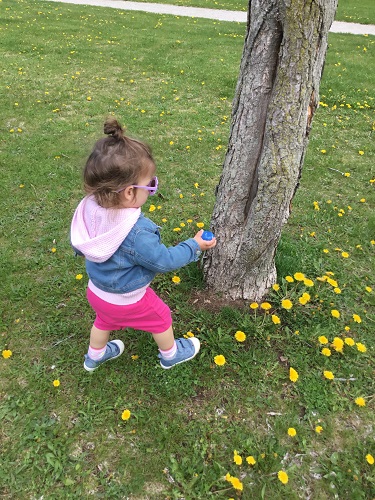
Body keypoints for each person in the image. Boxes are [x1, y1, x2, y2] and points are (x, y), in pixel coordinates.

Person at [70, 117, 216, 372]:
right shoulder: (136, 232)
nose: (151, 189)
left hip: (96, 292)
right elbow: (164, 260)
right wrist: (193, 246)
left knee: (103, 321)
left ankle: (94, 357)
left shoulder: (89, 209)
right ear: (129, 192)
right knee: (161, 318)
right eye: (150, 185)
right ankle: (170, 355)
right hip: (128, 299)